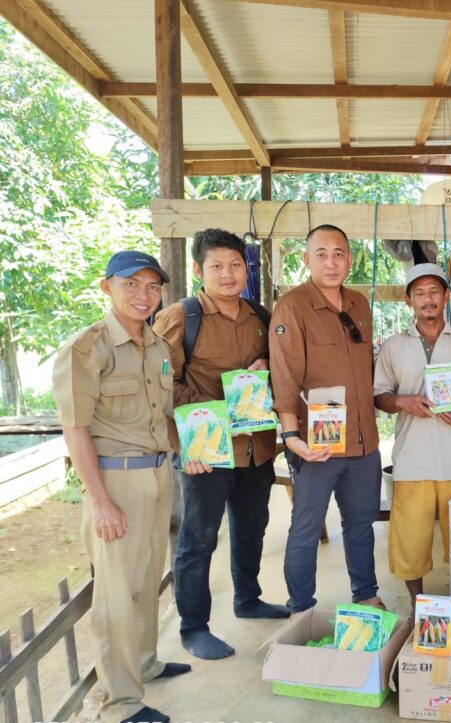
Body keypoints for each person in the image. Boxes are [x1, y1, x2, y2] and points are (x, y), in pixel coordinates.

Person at [52, 252, 191, 723]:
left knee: (147, 579)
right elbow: (75, 430)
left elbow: (163, 415)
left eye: (153, 287)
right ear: (106, 287)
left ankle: (146, 665)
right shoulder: (87, 348)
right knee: (115, 594)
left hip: (157, 474)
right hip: (116, 480)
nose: (143, 295)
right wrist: (101, 500)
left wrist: (184, 451)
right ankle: (121, 702)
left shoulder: (155, 344)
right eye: (132, 284)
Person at [153, 229, 289, 661]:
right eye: (217, 266)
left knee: (253, 528)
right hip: (206, 451)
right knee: (198, 540)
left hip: (256, 446)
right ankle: (194, 627)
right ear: (198, 270)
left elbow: (283, 370)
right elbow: (160, 386)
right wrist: (187, 444)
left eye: (236, 265)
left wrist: (268, 364)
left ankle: (247, 599)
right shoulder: (180, 317)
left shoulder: (260, 315)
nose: (228, 274)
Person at [269, 224, 384, 612]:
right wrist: (291, 437)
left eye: (339, 253)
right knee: (306, 529)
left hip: (364, 442)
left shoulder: (359, 304)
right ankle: (301, 607)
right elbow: (284, 376)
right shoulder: (293, 307)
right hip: (318, 443)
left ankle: (365, 595)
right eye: (321, 254)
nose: (331, 262)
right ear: (306, 260)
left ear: (350, 258)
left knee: (360, 525)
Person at [374, 263, 451, 601]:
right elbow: (379, 396)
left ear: (446, 297)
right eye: (420, 293)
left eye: (434, 291)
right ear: (408, 300)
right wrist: (402, 400)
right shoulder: (394, 346)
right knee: (410, 542)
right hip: (412, 461)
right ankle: (418, 606)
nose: (428, 299)